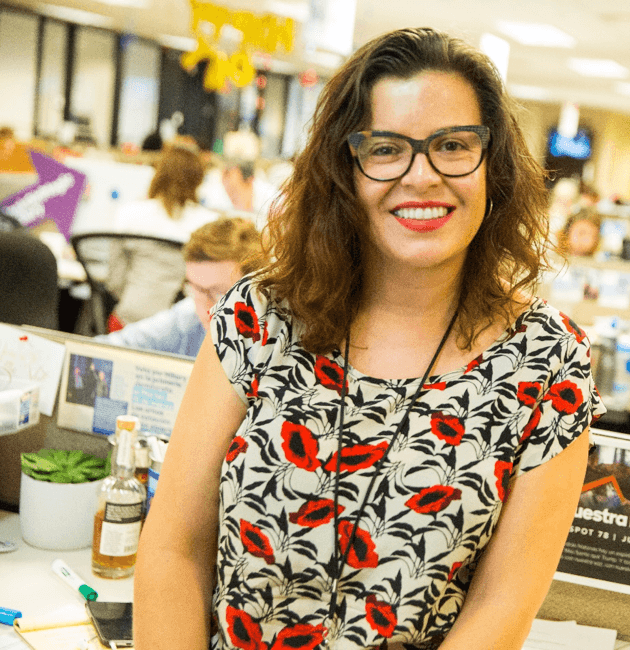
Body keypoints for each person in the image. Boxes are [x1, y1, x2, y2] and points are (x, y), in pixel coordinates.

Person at [135, 27, 603, 650]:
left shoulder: (547, 364)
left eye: (454, 145)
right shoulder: (260, 317)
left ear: (494, 165)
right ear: (345, 169)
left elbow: (501, 610)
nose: (422, 176)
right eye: (386, 149)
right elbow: (173, 552)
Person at [97, 218, 263, 357]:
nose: (206, 307)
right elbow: (108, 347)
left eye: (219, 293)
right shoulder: (188, 318)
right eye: (196, 289)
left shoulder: (273, 345)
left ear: (255, 289)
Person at [105, 143, 221, 327]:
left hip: (128, 320)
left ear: (159, 173)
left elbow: (114, 279)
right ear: (198, 180)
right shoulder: (209, 224)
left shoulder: (129, 213)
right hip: (177, 326)